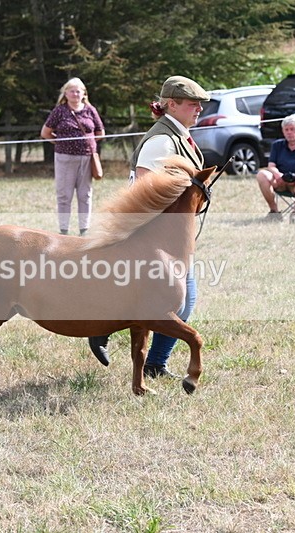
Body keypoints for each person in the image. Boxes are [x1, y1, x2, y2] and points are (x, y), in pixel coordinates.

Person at [88, 75, 209, 378]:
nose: (199, 109)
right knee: (179, 300)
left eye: (200, 104)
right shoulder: (161, 141)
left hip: (169, 234)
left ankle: (149, 358)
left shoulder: (178, 135)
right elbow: (143, 187)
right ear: (172, 104)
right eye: (193, 104)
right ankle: (113, 336)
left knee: (178, 300)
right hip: (154, 235)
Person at [41, 77, 105, 236]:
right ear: (66, 93)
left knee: (85, 195)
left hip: (86, 158)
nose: (75, 94)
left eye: (78, 91)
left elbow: (100, 132)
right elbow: (45, 133)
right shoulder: (59, 111)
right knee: (64, 195)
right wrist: (62, 143)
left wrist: (87, 143)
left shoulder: (90, 110)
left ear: (84, 93)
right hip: (64, 159)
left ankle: (84, 230)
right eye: (72, 91)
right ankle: (64, 231)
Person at [256, 113, 295, 223]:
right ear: (283, 132)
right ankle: (274, 211)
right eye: (286, 130)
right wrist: (278, 175)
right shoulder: (277, 145)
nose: (289, 132)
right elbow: (271, 166)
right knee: (262, 174)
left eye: (292, 129)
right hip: (281, 180)